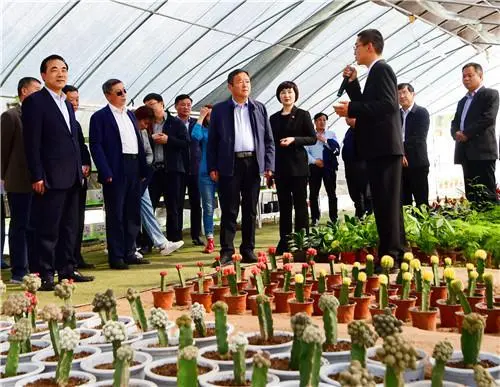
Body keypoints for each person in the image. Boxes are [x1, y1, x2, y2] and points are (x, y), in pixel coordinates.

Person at [334, 29, 405, 269]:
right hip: (380, 148)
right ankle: (397, 253)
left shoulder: (382, 70)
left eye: (357, 46)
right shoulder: (374, 73)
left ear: (369, 47)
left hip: (384, 147)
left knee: (386, 203)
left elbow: (386, 106)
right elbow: (370, 103)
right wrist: (353, 85)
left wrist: (352, 108)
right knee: (386, 203)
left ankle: (391, 257)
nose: (354, 50)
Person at [22, 55, 93, 290]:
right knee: (47, 228)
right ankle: (45, 273)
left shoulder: (66, 103)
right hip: (50, 176)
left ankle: (67, 270)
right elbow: (32, 143)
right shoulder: (35, 102)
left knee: (69, 227)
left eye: (64, 69)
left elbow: (73, 140)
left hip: (72, 176)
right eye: (54, 70)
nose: (60, 74)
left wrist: (80, 169)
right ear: (44, 75)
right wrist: (37, 175)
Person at [207, 69, 275, 265]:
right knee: (229, 209)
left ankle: (248, 249)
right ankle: (227, 251)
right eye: (240, 82)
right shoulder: (220, 110)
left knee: (250, 209)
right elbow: (212, 142)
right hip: (230, 164)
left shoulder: (259, 108)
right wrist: (212, 166)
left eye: (247, 81)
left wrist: (268, 164)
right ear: (230, 87)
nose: (245, 85)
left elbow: (268, 140)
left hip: (253, 164)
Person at [89, 79, 150, 270]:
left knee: (132, 212)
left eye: (124, 91)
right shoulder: (100, 117)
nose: (123, 95)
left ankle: (130, 251)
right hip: (115, 168)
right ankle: (116, 256)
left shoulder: (130, 116)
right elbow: (96, 146)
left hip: (133, 166)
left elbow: (138, 143)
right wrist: (105, 170)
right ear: (108, 95)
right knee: (116, 213)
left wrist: (142, 168)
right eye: (118, 92)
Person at [1, 77, 41, 282]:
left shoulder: (39, 115)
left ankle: (34, 267)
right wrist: (2, 177)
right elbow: (3, 150)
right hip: (18, 181)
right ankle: (19, 270)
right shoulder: (11, 116)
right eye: (36, 90)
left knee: (35, 225)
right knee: (20, 225)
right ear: (24, 91)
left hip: (39, 181)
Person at [270, 81, 316, 254]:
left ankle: (302, 240)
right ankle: (285, 240)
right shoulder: (273, 118)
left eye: (289, 92)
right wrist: (270, 169)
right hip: (281, 167)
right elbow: (271, 143)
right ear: (279, 96)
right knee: (284, 205)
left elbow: (312, 138)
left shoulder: (303, 115)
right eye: (283, 92)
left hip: (298, 167)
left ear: (295, 94)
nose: (286, 95)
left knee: (301, 205)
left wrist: (294, 140)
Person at [134, 106, 184, 256]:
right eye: (144, 122)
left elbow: (148, 153)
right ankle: (135, 245)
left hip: (144, 175)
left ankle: (161, 243)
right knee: (132, 211)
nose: (146, 126)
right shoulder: (129, 130)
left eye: (148, 123)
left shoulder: (145, 131)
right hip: (132, 176)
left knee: (148, 209)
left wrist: (145, 168)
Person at [450, 62, 499, 203]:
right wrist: (456, 134)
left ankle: (491, 223)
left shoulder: (490, 94)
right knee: (472, 193)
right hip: (465, 152)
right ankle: (476, 220)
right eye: (464, 76)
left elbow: (488, 118)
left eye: (470, 75)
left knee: (486, 192)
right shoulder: (462, 101)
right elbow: (455, 122)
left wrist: (466, 133)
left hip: (483, 152)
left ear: (480, 76)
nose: (466, 79)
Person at [62, 84, 96, 269]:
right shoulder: (59, 122)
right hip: (64, 179)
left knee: (78, 220)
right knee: (65, 222)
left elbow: (82, 148)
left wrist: (87, 165)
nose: (75, 103)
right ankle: (65, 259)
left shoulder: (75, 123)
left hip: (79, 178)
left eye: (77, 99)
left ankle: (76, 255)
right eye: (71, 99)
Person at [174, 94, 203, 246]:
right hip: (178, 169)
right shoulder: (172, 123)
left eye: (188, 105)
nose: (186, 107)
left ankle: (196, 235)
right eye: (182, 104)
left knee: (196, 203)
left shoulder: (197, 123)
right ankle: (177, 236)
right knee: (177, 203)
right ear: (176, 107)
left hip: (195, 169)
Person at [398, 83, 430, 207]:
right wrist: (400, 154)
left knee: (421, 201)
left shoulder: (421, 113)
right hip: (400, 164)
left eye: (404, 93)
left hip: (417, 162)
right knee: (404, 202)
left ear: (412, 94)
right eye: (399, 94)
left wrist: (401, 152)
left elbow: (419, 138)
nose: (401, 96)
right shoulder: (395, 114)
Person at [305, 112, 340, 226]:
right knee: (314, 193)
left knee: (331, 192)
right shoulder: (310, 135)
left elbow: (336, 150)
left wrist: (324, 140)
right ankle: (315, 217)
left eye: (324, 120)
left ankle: (333, 218)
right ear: (315, 122)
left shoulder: (331, 134)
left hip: (329, 167)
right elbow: (306, 152)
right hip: (315, 167)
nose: (322, 122)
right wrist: (315, 161)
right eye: (319, 120)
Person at [191, 105, 218, 254]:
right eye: (209, 115)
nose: (211, 117)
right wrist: (200, 117)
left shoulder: (223, 130)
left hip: (223, 172)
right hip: (205, 172)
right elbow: (195, 137)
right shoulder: (203, 130)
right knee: (208, 207)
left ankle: (228, 238)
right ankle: (210, 239)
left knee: (227, 206)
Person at [342, 117, 372, 218]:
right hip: (350, 167)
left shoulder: (364, 130)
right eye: (346, 118)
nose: (346, 119)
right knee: (354, 192)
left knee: (365, 192)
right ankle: (359, 212)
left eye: (349, 117)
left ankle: (368, 213)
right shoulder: (349, 131)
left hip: (362, 166)